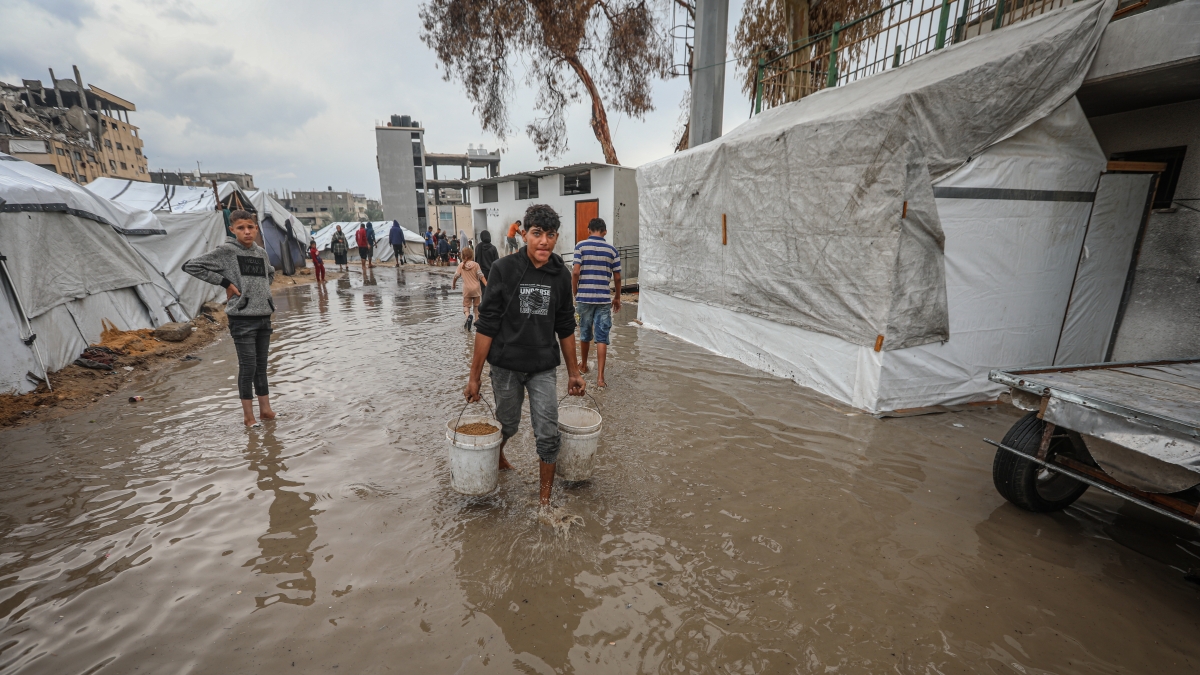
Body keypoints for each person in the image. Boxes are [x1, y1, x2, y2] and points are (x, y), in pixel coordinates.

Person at [465, 204, 584, 507]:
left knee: (548, 433)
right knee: (508, 424)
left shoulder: (561, 275)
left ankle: (544, 502)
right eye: (537, 233)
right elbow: (487, 325)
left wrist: (574, 373)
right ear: (525, 235)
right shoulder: (503, 269)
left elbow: (565, 326)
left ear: (556, 238)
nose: (544, 241)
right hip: (506, 365)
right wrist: (474, 378)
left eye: (550, 235)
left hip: (543, 367)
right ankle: (498, 457)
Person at [183, 210, 277, 427]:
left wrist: (261, 291)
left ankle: (266, 411)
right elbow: (191, 266)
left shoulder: (261, 253)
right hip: (242, 319)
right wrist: (226, 283)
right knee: (248, 366)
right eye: (241, 228)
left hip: (264, 316)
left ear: (256, 229)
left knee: (261, 366)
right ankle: (248, 417)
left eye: (250, 227)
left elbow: (270, 272)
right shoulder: (227, 251)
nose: (247, 232)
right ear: (232, 229)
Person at [572, 218, 622, 388]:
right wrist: (617, 297)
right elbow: (618, 277)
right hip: (603, 299)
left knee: (584, 333)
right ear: (605, 232)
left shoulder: (580, 246)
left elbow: (575, 272)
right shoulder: (612, 250)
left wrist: (575, 292)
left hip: (583, 298)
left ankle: (584, 365)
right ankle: (600, 378)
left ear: (588, 230)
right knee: (602, 337)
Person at [451, 247, 487, 331]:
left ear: (462, 256)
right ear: (472, 255)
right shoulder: (476, 265)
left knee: (466, 306)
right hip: (476, 289)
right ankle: (477, 323)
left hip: (467, 290)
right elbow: (481, 276)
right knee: (477, 307)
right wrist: (486, 284)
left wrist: (453, 285)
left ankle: (468, 317)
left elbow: (456, 276)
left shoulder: (461, 265)